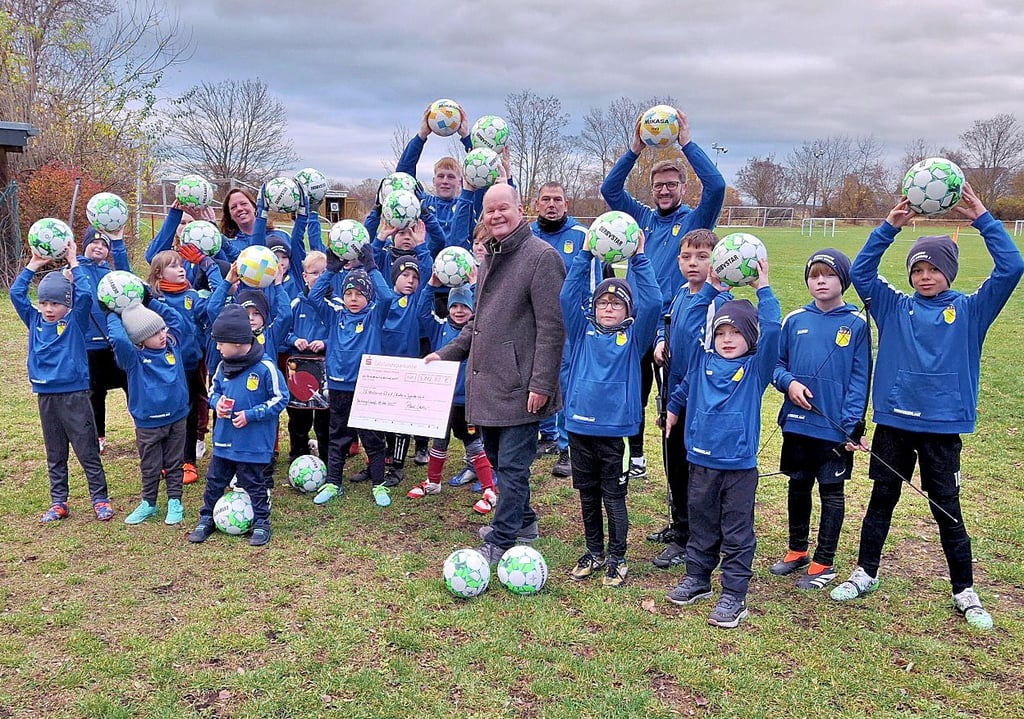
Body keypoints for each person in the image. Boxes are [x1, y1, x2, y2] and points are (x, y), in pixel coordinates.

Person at [831, 186, 1024, 631]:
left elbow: (1012, 266)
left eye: (934, 268)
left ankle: (964, 590)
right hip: (894, 424)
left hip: (942, 427)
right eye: (918, 269)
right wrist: (889, 227)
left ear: (949, 272)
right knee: (881, 500)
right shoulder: (893, 307)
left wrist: (983, 218)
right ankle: (865, 572)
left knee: (947, 509)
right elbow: (860, 271)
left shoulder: (972, 310)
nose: (925, 276)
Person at [426, 183, 566, 566]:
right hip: (489, 385)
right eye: (490, 210)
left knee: (513, 467)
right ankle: (525, 521)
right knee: (499, 459)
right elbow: (478, 323)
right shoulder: (491, 256)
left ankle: (503, 539)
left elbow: (552, 328)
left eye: (503, 208)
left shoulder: (542, 258)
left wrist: (541, 383)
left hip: (521, 388)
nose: (496, 215)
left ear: (520, 209)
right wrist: (446, 354)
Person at [601, 108, 726, 480]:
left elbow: (717, 187)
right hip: (638, 322)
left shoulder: (694, 220)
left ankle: (684, 468)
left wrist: (686, 143)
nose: (664, 190)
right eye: (659, 185)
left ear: (683, 187)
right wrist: (635, 149)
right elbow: (609, 191)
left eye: (671, 184)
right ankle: (636, 456)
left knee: (675, 399)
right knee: (631, 393)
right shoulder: (642, 218)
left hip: (678, 325)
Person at [663, 259, 780, 629]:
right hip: (700, 462)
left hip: (738, 468)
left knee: (737, 532)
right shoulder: (702, 361)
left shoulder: (756, 369)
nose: (727, 339)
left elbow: (773, 329)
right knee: (701, 524)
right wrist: (711, 289)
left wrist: (763, 288)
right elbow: (687, 326)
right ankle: (698, 578)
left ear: (750, 338)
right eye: (721, 333)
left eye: (736, 333)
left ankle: (734, 594)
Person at [561, 238, 660, 587]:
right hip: (579, 426)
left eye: (616, 303)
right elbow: (567, 296)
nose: (608, 308)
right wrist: (585, 254)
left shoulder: (634, 338)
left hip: (615, 433)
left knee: (614, 497)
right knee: (587, 494)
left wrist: (640, 258)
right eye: (602, 302)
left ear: (628, 310)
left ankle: (618, 557)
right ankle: (594, 551)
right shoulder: (582, 330)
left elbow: (654, 301)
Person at [769, 249, 869, 590]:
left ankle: (824, 561)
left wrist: (852, 425)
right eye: (814, 276)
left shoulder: (856, 323)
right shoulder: (794, 320)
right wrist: (789, 383)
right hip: (797, 424)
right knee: (798, 485)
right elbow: (775, 365)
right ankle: (797, 550)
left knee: (831, 492)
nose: (821, 281)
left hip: (834, 429)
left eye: (829, 275)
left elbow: (860, 379)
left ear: (844, 280)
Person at [11, 240, 113, 522]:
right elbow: (17, 293)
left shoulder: (74, 322)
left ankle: (100, 499)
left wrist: (74, 262)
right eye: (44, 303)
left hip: (75, 395)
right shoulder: (34, 321)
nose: (48, 308)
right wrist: (34, 264)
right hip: (46, 396)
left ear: (67, 304)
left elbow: (86, 295)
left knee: (87, 450)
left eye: (55, 303)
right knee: (55, 452)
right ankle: (59, 501)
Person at [648, 229, 732, 568]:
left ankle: (693, 538)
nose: (693, 263)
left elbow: (707, 352)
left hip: (698, 402)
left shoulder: (719, 303)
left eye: (702, 257)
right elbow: (665, 321)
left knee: (694, 473)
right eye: (686, 257)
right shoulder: (682, 293)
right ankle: (680, 524)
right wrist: (660, 341)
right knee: (674, 466)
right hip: (672, 394)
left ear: (717, 262)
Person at [187, 304, 288, 546]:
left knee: (254, 483)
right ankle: (206, 518)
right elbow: (213, 392)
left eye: (221, 343)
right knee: (215, 481)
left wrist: (251, 415)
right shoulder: (222, 367)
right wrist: (217, 403)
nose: (217, 348)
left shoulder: (265, 368)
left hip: (252, 443)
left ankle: (262, 522)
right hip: (224, 440)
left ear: (238, 341)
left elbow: (281, 398)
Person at [306, 252, 391, 508]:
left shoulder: (373, 316)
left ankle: (379, 483)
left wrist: (372, 267)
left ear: (368, 296)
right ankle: (334, 482)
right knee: (338, 435)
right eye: (349, 293)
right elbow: (313, 296)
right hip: (339, 385)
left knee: (372, 437)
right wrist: (331, 270)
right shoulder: (335, 314)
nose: (353, 299)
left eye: (360, 294)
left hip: (366, 386)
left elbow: (387, 297)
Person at [531, 181, 599, 478]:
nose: (552, 204)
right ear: (536, 204)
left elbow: (593, 283)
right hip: (533, 322)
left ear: (566, 204)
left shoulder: (582, 235)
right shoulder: (527, 234)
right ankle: (545, 435)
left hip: (569, 325)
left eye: (557, 199)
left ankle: (566, 447)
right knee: (536, 376)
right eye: (546, 199)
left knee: (566, 381)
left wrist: (590, 323)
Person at [106, 296, 194, 526]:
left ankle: (175, 501)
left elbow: (176, 319)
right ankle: (149, 502)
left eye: (162, 329)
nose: (162, 335)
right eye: (154, 333)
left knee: (174, 462)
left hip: (177, 417)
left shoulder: (173, 346)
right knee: (150, 465)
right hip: (148, 423)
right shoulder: (133, 358)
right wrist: (113, 314)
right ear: (140, 340)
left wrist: (150, 301)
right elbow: (118, 338)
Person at [415, 279, 498, 514]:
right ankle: (433, 482)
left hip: (467, 402)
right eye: (454, 306)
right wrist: (430, 286)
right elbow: (422, 312)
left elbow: (487, 306)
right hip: (441, 400)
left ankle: (489, 490)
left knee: (473, 443)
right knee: (439, 441)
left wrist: (476, 285)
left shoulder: (478, 331)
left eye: (464, 306)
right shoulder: (439, 326)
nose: (459, 311)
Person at [147, 247, 223, 485]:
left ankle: (187, 461)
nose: (180, 269)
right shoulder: (152, 299)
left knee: (189, 412)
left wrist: (209, 266)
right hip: (161, 367)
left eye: (181, 265)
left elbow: (216, 301)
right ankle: (164, 460)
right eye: (173, 266)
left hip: (190, 365)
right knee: (164, 413)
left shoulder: (192, 296)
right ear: (158, 273)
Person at [78, 227, 131, 456]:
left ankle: (144, 427)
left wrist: (118, 243)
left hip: (116, 344)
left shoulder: (110, 274)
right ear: (85, 245)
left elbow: (128, 278)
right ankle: (97, 435)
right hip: (90, 346)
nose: (99, 247)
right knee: (95, 393)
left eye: (104, 245)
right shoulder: (73, 270)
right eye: (95, 243)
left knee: (133, 387)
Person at [284, 250, 330, 466]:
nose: (319, 277)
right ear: (304, 276)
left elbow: (342, 334)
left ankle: (327, 458)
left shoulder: (335, 304)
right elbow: (283, 332)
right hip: (300, 368)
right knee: (298, 418)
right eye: (314, 273)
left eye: (324, 273)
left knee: (324, 419)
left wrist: (325, 343)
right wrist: (295, 340)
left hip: (325, 368)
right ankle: (298, 455)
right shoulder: (296, 303)